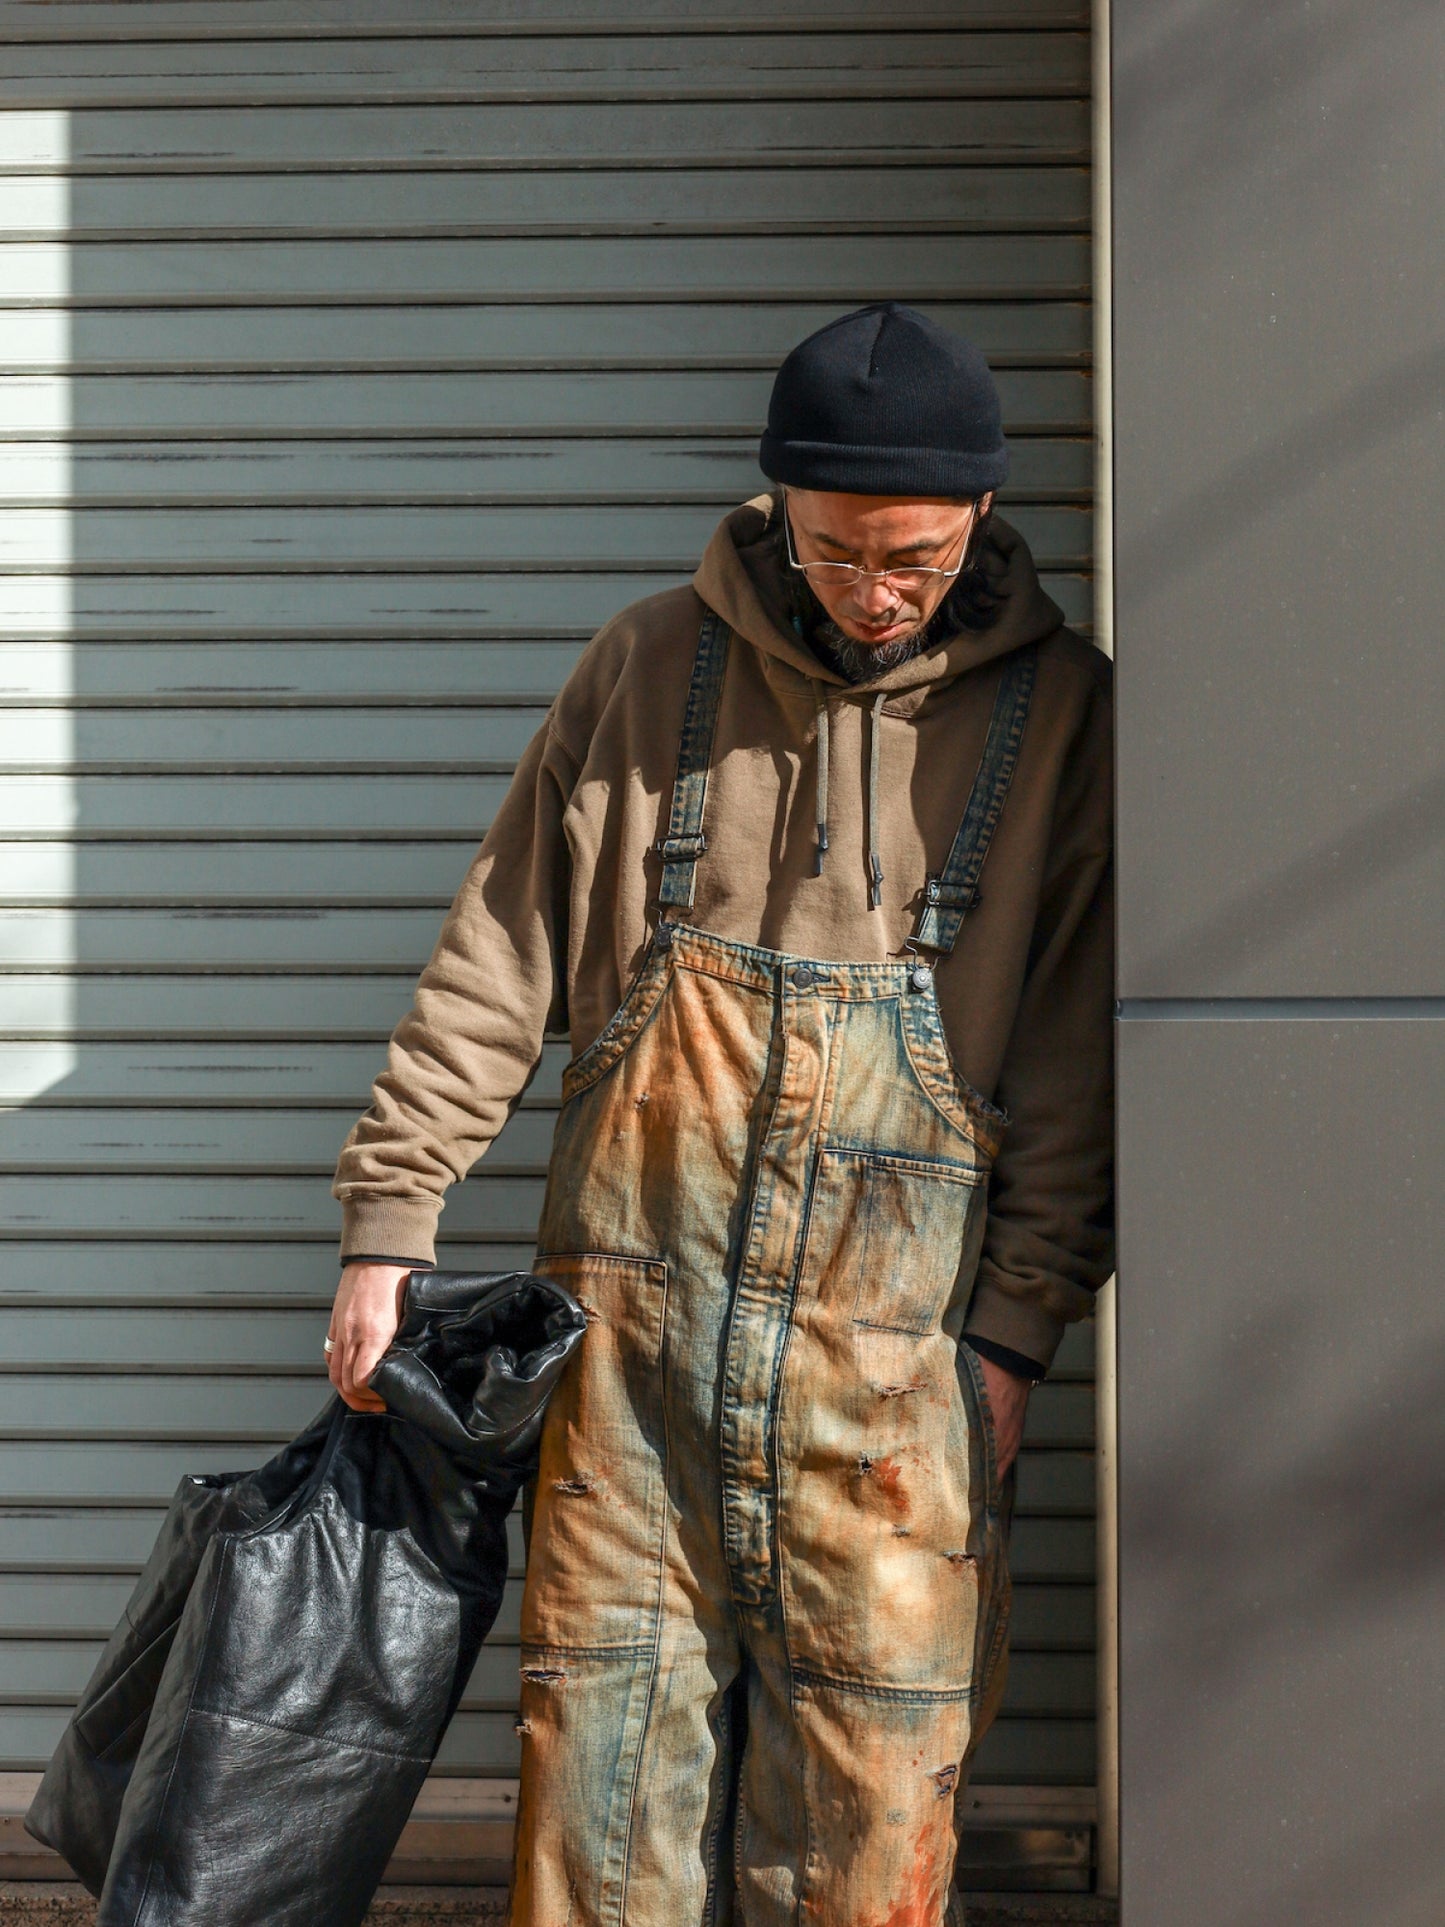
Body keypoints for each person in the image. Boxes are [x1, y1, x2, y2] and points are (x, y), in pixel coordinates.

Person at [326, 303, 1114, 1927]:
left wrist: (1014, 1334)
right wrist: (388, 1226)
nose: (873, 591)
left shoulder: (1062, 717)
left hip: (894, 1381)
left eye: (911, 558)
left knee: (869, 1832)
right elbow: (497, 959)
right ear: (777, 508)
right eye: (835, 551)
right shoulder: (645, 669)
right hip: (631, 1371)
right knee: (598, 1817)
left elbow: (1066, 1063)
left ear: (981, 514)